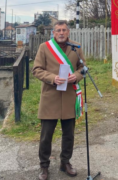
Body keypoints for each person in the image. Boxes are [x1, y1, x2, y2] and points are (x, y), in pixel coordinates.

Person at [32, 21, 85, 180]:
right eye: (58, 30)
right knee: (46, 135)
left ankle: (65, 162)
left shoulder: (76, 47)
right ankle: (44, 166)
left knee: (69, 134)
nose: (61, 33)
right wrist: (52, 78)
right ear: (53, 33)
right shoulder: (44, 47)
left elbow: (83, 68)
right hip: (51, 97)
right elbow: (37, 70)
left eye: (64, 30)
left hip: (69, 96)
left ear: (68, 32)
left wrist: (77, 75)